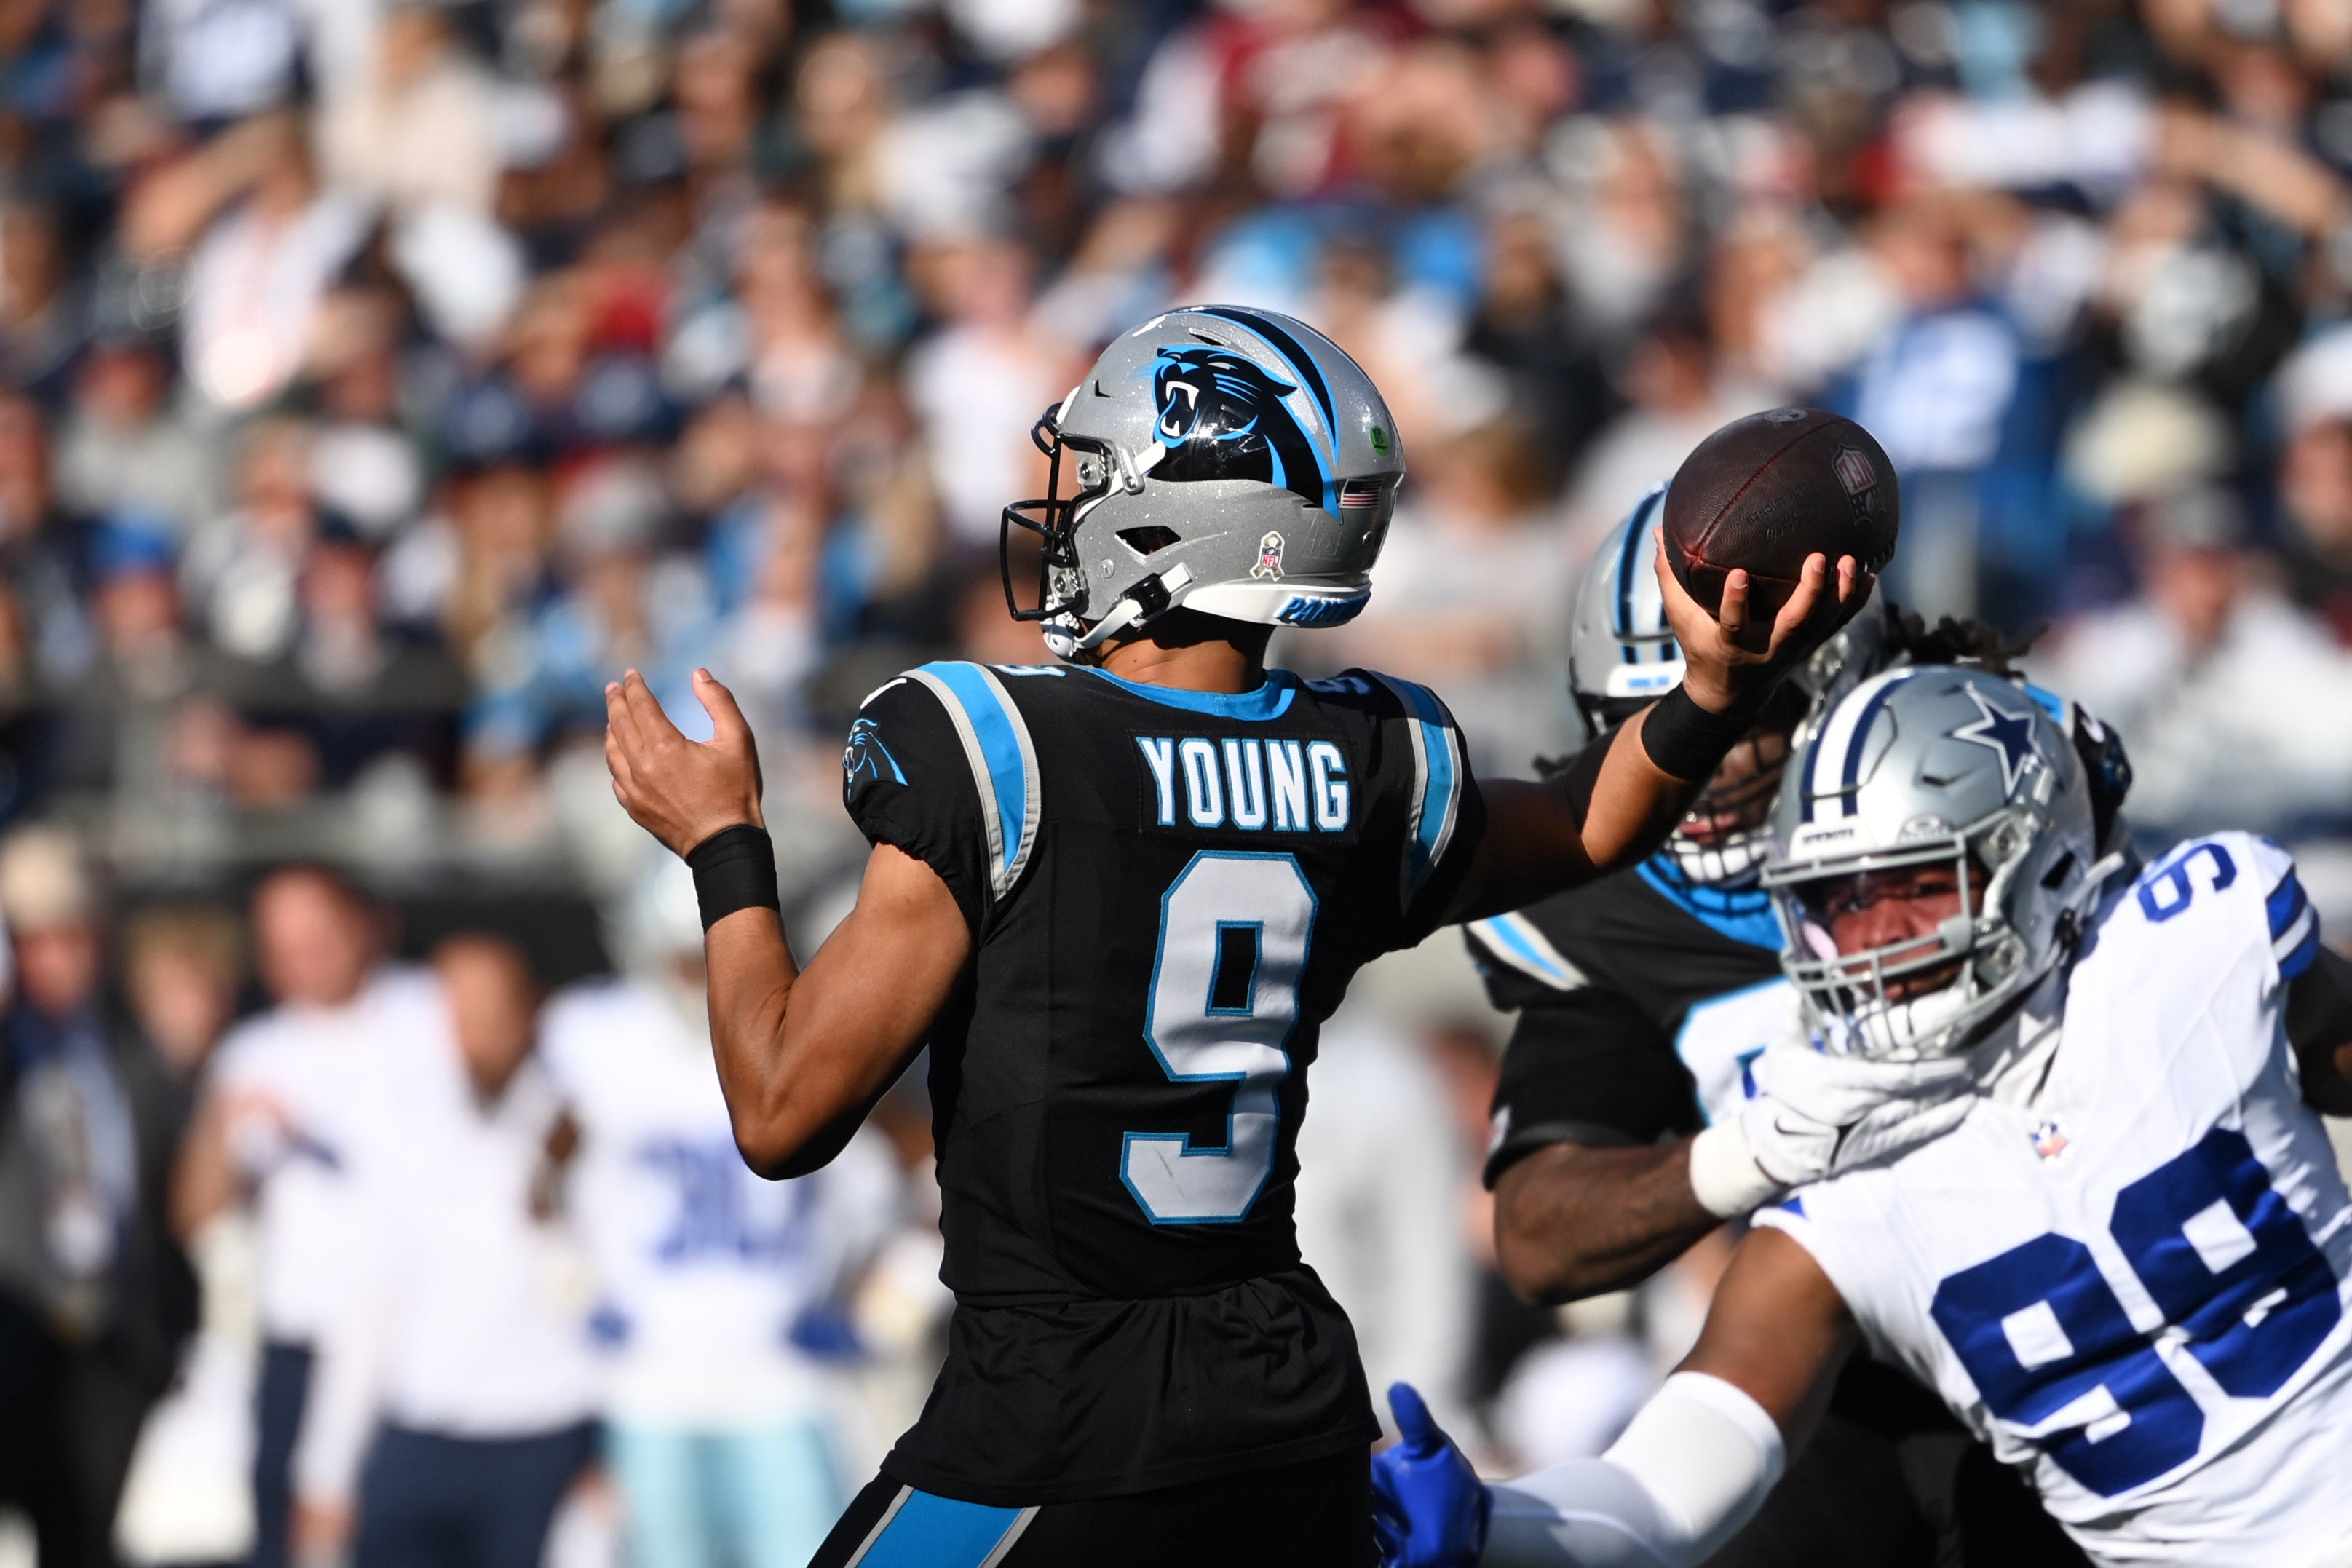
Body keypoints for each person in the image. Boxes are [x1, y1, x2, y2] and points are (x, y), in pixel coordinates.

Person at [601, 306, 1870, 1566]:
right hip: (1286, 1413)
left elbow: (780, 1111)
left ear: (1181, 512)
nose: (1072, 507)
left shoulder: (997, 748)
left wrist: (724, 846)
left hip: (1056, 1410)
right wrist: (1713, 689)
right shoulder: (1370, 761)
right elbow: (1595, 822)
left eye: (1098, 476)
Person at [1374, 663, 2352, 1568]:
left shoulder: (2191, 949)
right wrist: (1492, 1521)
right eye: (1836, 900)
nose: (1870, 936)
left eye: (1915, 885)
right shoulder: (1836, 1174)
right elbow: (1660, 1491)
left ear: (2041, 854)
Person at [1464, 495, 2113, 1564]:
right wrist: (1751, 1152)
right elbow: (1538, 1237)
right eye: (1674, 716)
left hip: (2089, 1314)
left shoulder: (1997, 783)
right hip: (1834, 1349)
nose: (1707, 770)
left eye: (1741, 713)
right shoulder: (1617, 914)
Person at [542, 856, 900, 1568]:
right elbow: (538, 1183)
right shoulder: (593, 1038)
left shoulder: (806, 1029)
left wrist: (885, 1309)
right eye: (679, 958)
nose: (694, 977)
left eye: (706, 956)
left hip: (784, 1385)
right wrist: (573, 1285)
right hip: (650, 1385)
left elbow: (909, 1183)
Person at [292, 933, 600, 1568]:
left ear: (530, 1011)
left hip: (542, 1436)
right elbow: (366, 1306)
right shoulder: (396, 1128)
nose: (476, 1036)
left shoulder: (580, 1124)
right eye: (459, 1014)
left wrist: (606, 1450)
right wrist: (327, 1469)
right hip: (419, 1432)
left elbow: (613, 1291)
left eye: (493, 1014)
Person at [170, 868, 442, 1568]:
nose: (302, 956)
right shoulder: (253, 1052)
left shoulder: (433, 1015)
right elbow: (196, 1219)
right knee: (289, 1542)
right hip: (301, 1346)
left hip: (419, 1342)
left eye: (318, 935)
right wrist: (223, 1124)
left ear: (366, 925)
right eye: (281, 942)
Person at [0, 828, 195, 1568]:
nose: (64, 953)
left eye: (78, 932)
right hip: (16, 1324)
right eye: (40, 936)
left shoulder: (124, 1044)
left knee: (82, 1536)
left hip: (109, 1343)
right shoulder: (14, 1044)